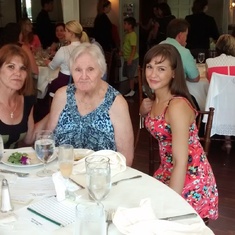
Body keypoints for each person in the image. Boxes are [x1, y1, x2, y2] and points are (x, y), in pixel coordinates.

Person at [139, 44, 218, 222]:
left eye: (161, 69)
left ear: (174, 73)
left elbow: (181, 161)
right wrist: (142, 111)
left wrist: (171, 204)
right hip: (167, 170)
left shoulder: (176, 106)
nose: (152, 74)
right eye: (149, 67)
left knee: (158, 220)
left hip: (190, 177)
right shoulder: (154, 100)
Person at [46, 42, 134, 166]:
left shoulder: (116, 103)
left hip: (101, 178)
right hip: (64, 173)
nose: (83, 76)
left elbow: (126, 159)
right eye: (78, 70)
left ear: (101, 71)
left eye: (90, 69)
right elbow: (48, 139)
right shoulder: (62, 96)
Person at [0, 44, 47, 149]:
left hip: (14, 164)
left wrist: (54, 111)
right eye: (11, 67)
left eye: (23, 68)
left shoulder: (27, 100)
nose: (18, 73)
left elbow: (29, 139)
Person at [47, 20, 90, 94]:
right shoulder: (87, 48)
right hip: (83, 82)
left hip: (65, 82)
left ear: (72, 34)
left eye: (66, 31)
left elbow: (52, 67)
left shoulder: (64, 50)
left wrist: (47, 62)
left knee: (48, 84)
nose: (64, 33)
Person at [122, 17, 139, 98]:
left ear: (130, 25)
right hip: (127, 58)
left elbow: (134, 48)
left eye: (125, 24)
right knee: (128, 74)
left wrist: (130, 59)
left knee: (131, 75)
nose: (123, 25)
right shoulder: (127, 35)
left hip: (132, 58)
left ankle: (132, 90)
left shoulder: (132, 35)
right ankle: (138, 82)